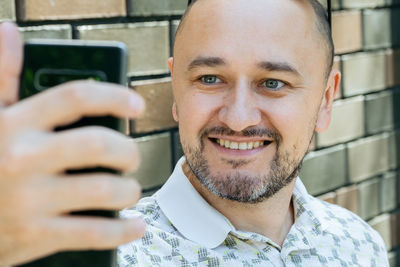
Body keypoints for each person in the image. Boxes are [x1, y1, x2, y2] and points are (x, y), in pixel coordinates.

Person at [117, 0, 389, 266]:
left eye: (273, 83)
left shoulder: (360, 245)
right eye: (209, 78)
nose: (238, 120)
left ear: (326, 100)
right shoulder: (116, 253)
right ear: (176, 87)